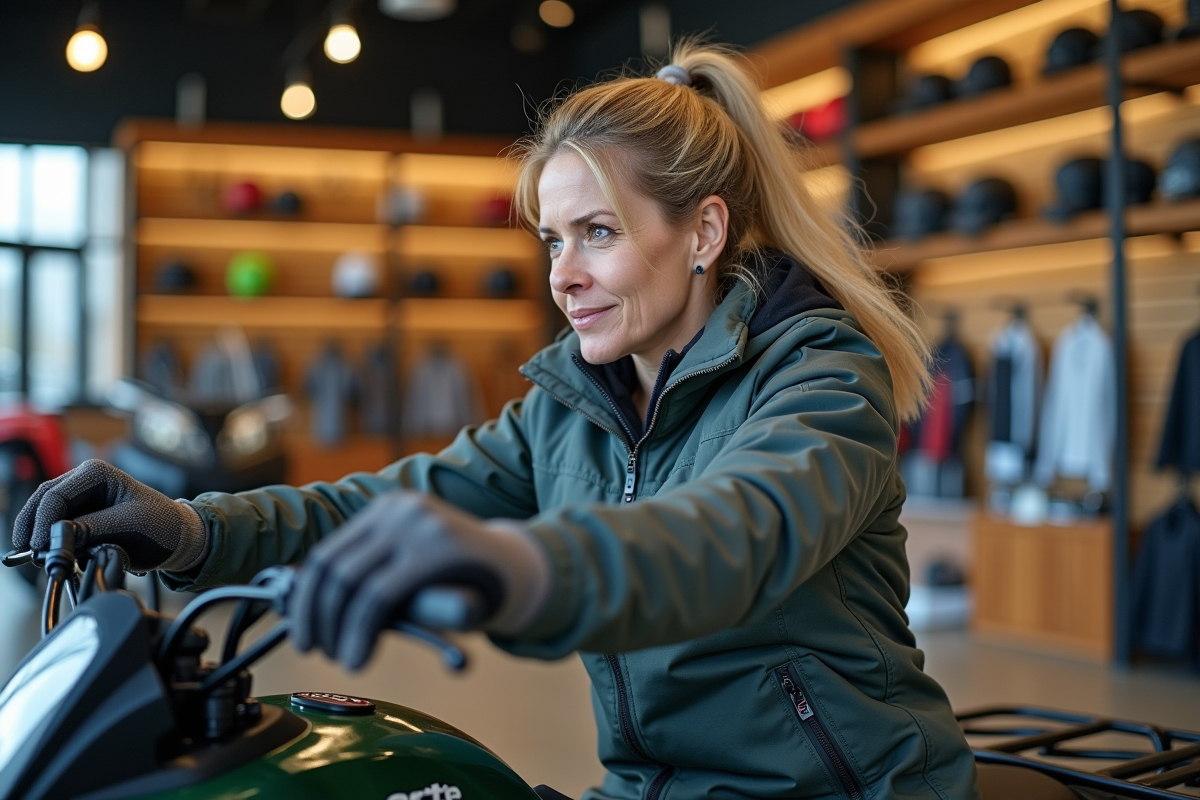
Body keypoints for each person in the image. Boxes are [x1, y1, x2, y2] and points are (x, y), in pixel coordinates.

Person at [13, 41, 980, 800]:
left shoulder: (818, 377)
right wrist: (191, 529)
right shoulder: (571, 408)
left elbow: (730, 535)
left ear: (704, 232)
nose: (562, 275)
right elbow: (385, 503)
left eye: (596, 233)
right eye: (554, 239)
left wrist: (518, 566)